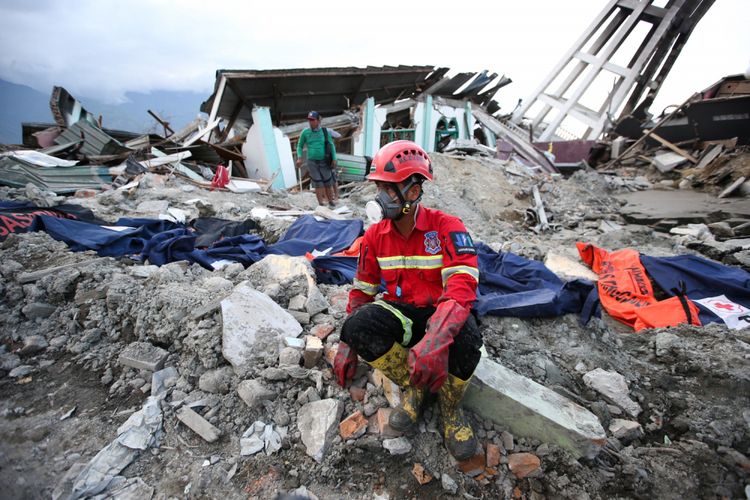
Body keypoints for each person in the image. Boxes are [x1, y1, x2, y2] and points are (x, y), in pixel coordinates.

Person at [334, 140, 482, 461]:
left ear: (413, 192)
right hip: (405, 316)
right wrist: (347, 343)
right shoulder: (374, 236)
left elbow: (461, 287)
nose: (380, 197)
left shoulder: (447, 228)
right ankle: (416, 389)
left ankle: (450, 408)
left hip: (441, 315)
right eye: (379, 188)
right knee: (358, 325)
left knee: (468, 337)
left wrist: (435, 342)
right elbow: (362, 290)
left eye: (389, 189)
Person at [296, 111, 338, 207]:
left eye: (313, 120)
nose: (310, 122)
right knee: (318, 183)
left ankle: (331, 201)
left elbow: (331, 145)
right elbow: (299, 146)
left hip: (324, 161)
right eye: (309, 120)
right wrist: (299, 157)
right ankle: (321, 204)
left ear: (318, 120)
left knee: (328, 182)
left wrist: (334, 159)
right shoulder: (305, 132)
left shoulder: (325, 131)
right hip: (312, 162)